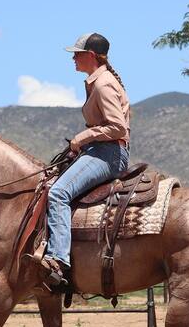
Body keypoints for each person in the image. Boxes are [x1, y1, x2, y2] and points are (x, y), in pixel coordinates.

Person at [33, 32, 131, 286]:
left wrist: (83, 137)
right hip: (100, 151)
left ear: (90, 56)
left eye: (76, 54)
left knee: (58, 193)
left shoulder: (103, 84)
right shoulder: (96, 81)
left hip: (108, 153)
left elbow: (118, 128)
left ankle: (58, 259)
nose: (73, 58)